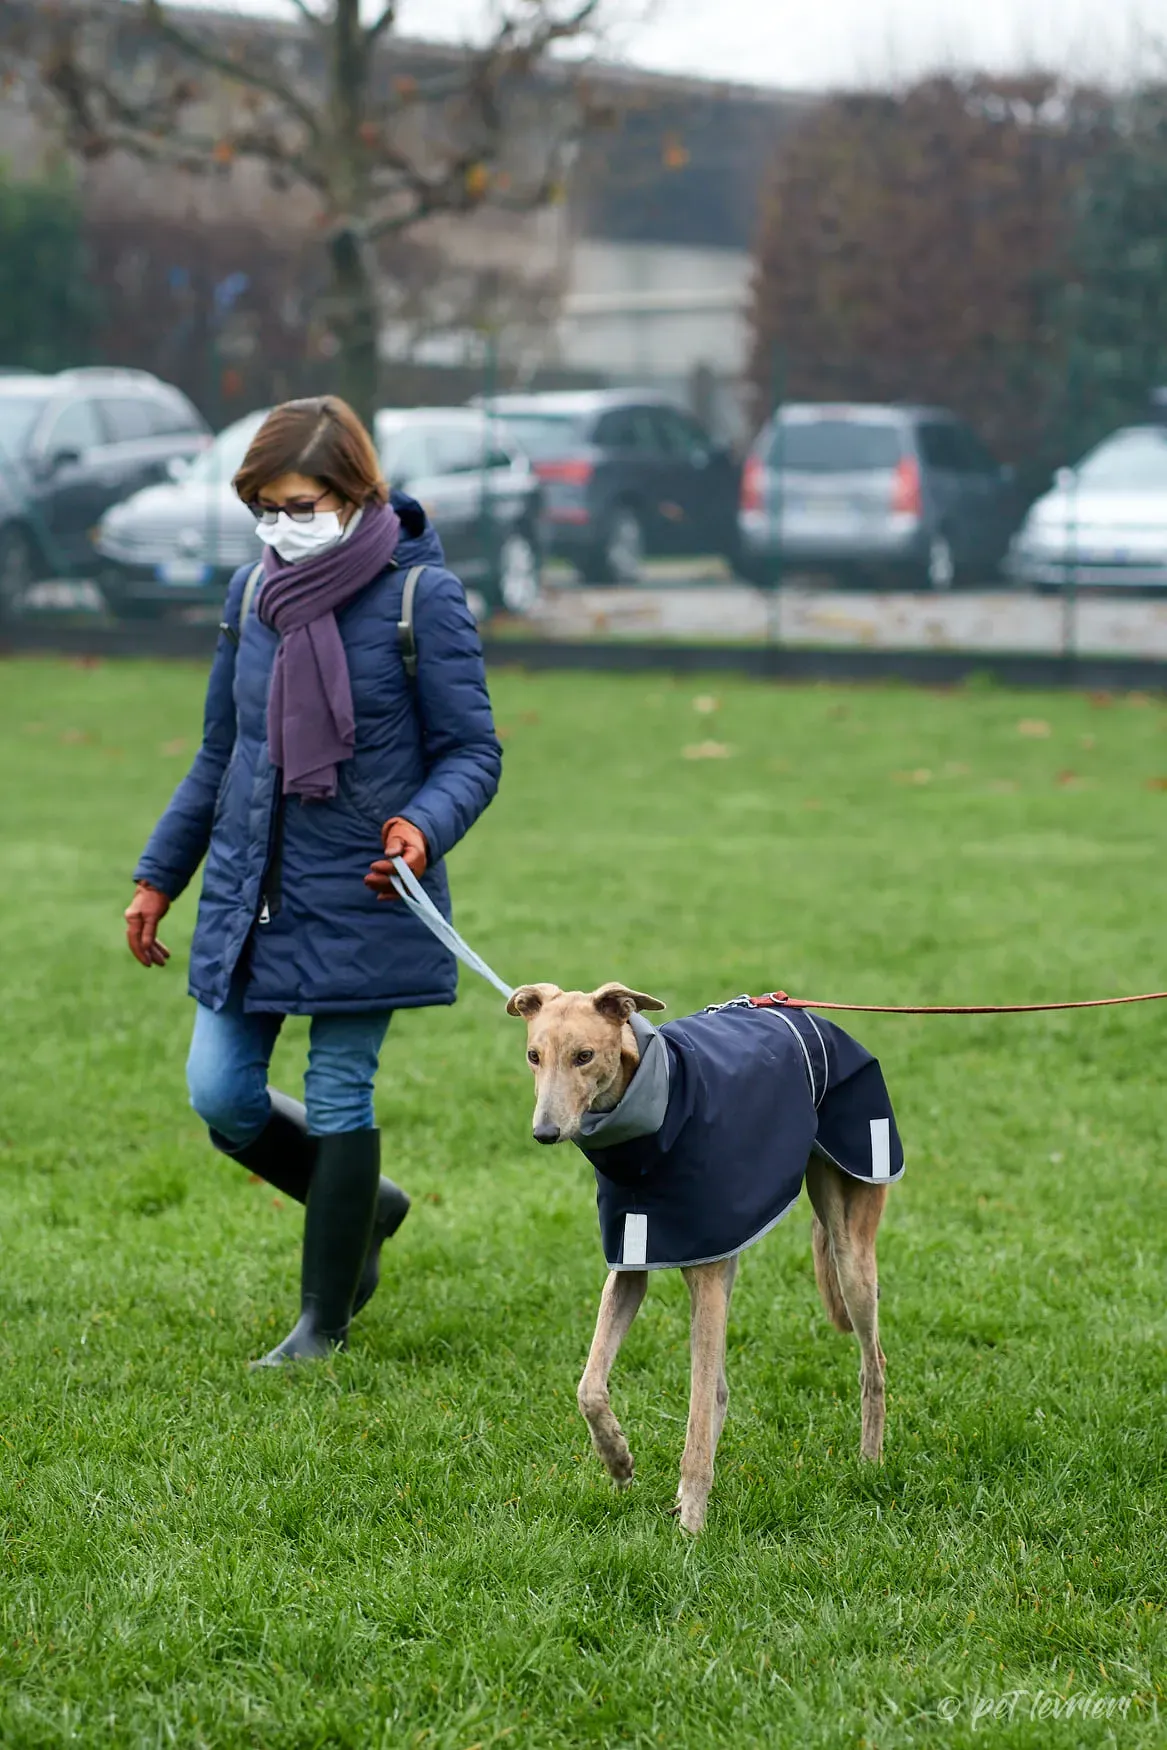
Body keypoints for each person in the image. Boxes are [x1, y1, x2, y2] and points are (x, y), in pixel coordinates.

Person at [124, 396, 502, 1366]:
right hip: (253, 892)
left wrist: (423, 823)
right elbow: (223, 751)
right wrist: (160, 874)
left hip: (367, 889)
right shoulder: (252, 595)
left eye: (299, 505)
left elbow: (471, 751)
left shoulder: (424, 597)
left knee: (340, 1090)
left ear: (354, 493)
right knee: (220, 1094)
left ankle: (320, 1322)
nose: (279, 526)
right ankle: (363, 1203)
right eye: (263, 506)